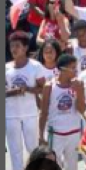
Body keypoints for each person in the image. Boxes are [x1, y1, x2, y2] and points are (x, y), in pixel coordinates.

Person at [39, 54, 86, 170]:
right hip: (55, 134)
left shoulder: (79, 84)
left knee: (72, 166)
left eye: (76, 68)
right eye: (73, 68)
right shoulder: (49, 86)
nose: (76, 71)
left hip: (74, 133)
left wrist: (79, 91)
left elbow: (82, 109)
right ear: (62, 69)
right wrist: (40, 135)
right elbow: (43, 112)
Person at [6, 31, 46, 170]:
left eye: (17, 46)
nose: (14, 49)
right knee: (15, 150)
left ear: (25, 48)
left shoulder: (35, 66)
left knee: (33, 148)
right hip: (10, 115)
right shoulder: (6, 68)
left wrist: (28, 89)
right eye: (11, 46)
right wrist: (15, 91)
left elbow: (43, 88)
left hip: (30, 113)